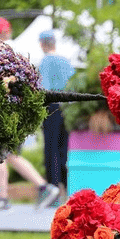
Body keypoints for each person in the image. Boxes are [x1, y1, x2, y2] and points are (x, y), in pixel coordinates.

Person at [0, 20, 60, 220]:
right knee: (2, 155)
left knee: (6, 154)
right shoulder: (16, 50)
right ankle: (4, 196)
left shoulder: (2, 52)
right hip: (16, 110)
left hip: (9, 111)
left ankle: (42, 187)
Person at [38, 30, 74, 206]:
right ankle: (68, 189)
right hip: (66, 108)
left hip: (51, 107)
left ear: (42, 44)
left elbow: (42, 87)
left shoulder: (45, 62)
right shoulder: (65, 61)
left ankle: (53, 191)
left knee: (50, 149)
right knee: (63, 150)